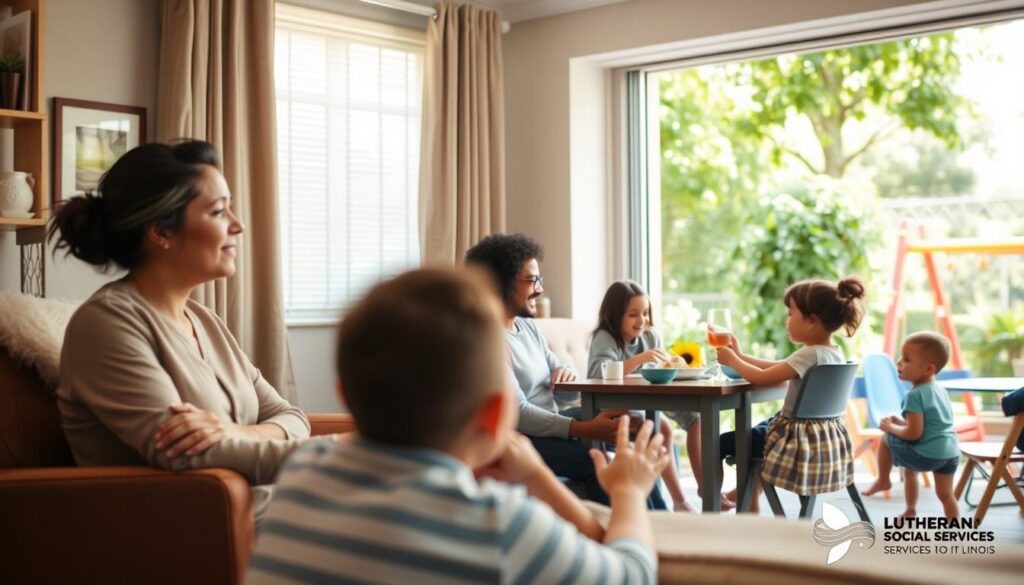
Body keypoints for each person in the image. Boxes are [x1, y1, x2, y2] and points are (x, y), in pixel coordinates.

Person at [247, 268, 666, 584]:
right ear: (493, 415)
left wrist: (537, 472)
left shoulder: (303, 475)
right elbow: (631, 574)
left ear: (345, 395)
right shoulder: (499, 522)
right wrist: (627, 491)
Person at [51, 140, 310, 516]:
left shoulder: (204, 320)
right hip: (187, 537)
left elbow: (291, 416)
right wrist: (344, 457)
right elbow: (189, 454)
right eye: (219, 212)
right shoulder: (105, 325)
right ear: (161, 232)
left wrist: (240, 432)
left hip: (268, 516)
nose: (238, 225)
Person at [465, 233, 666, 509]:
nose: (539, 289)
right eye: (532, 280)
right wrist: (583, 428)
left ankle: (662, 523)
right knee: (599, 458)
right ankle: (614, 534)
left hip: (552, 418)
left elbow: (557, 366)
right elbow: (519, 413)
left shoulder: (527, 327)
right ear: (502, 282)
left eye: (539, 280)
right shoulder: (486, 338)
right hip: (522, 438)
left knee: (629, 429)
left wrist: (565, 371)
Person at [716, 277, 866, 512]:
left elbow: (762, 378)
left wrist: (732, 360)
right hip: (821, 436)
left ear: (811, 321)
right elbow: (777, 366)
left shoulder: (809, 355)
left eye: (790, 313)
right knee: (753, 433)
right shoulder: (831, 353)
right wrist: (741, 356)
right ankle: (745, 497)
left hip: (794, 441)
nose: (786, 320)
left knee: (724, 441)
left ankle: (715, 500)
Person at [588, 280, 733, 512]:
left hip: (648, 398)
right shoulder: (605, 337)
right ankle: (679, 501)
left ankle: (705, 487)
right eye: (633, 314)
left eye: (645, 313)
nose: (642, 320)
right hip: (611, 408)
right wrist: (641, 359)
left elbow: (662, 370)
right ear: (615, 315)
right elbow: (598, 373)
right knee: (661, 429)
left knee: (696, 418)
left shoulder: (650, 335)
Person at [862, 332, 960, 519]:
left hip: (926, 454)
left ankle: (883, 479)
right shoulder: (940, 389)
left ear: (928, 368)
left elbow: (914, 434)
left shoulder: (913, 395)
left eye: (906, 359)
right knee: (946, 495)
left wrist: (891, 428)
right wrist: (901, 423)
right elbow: (932, 425)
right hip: (950, 453)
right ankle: (951, 529)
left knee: (886, 438)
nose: (899, 362)